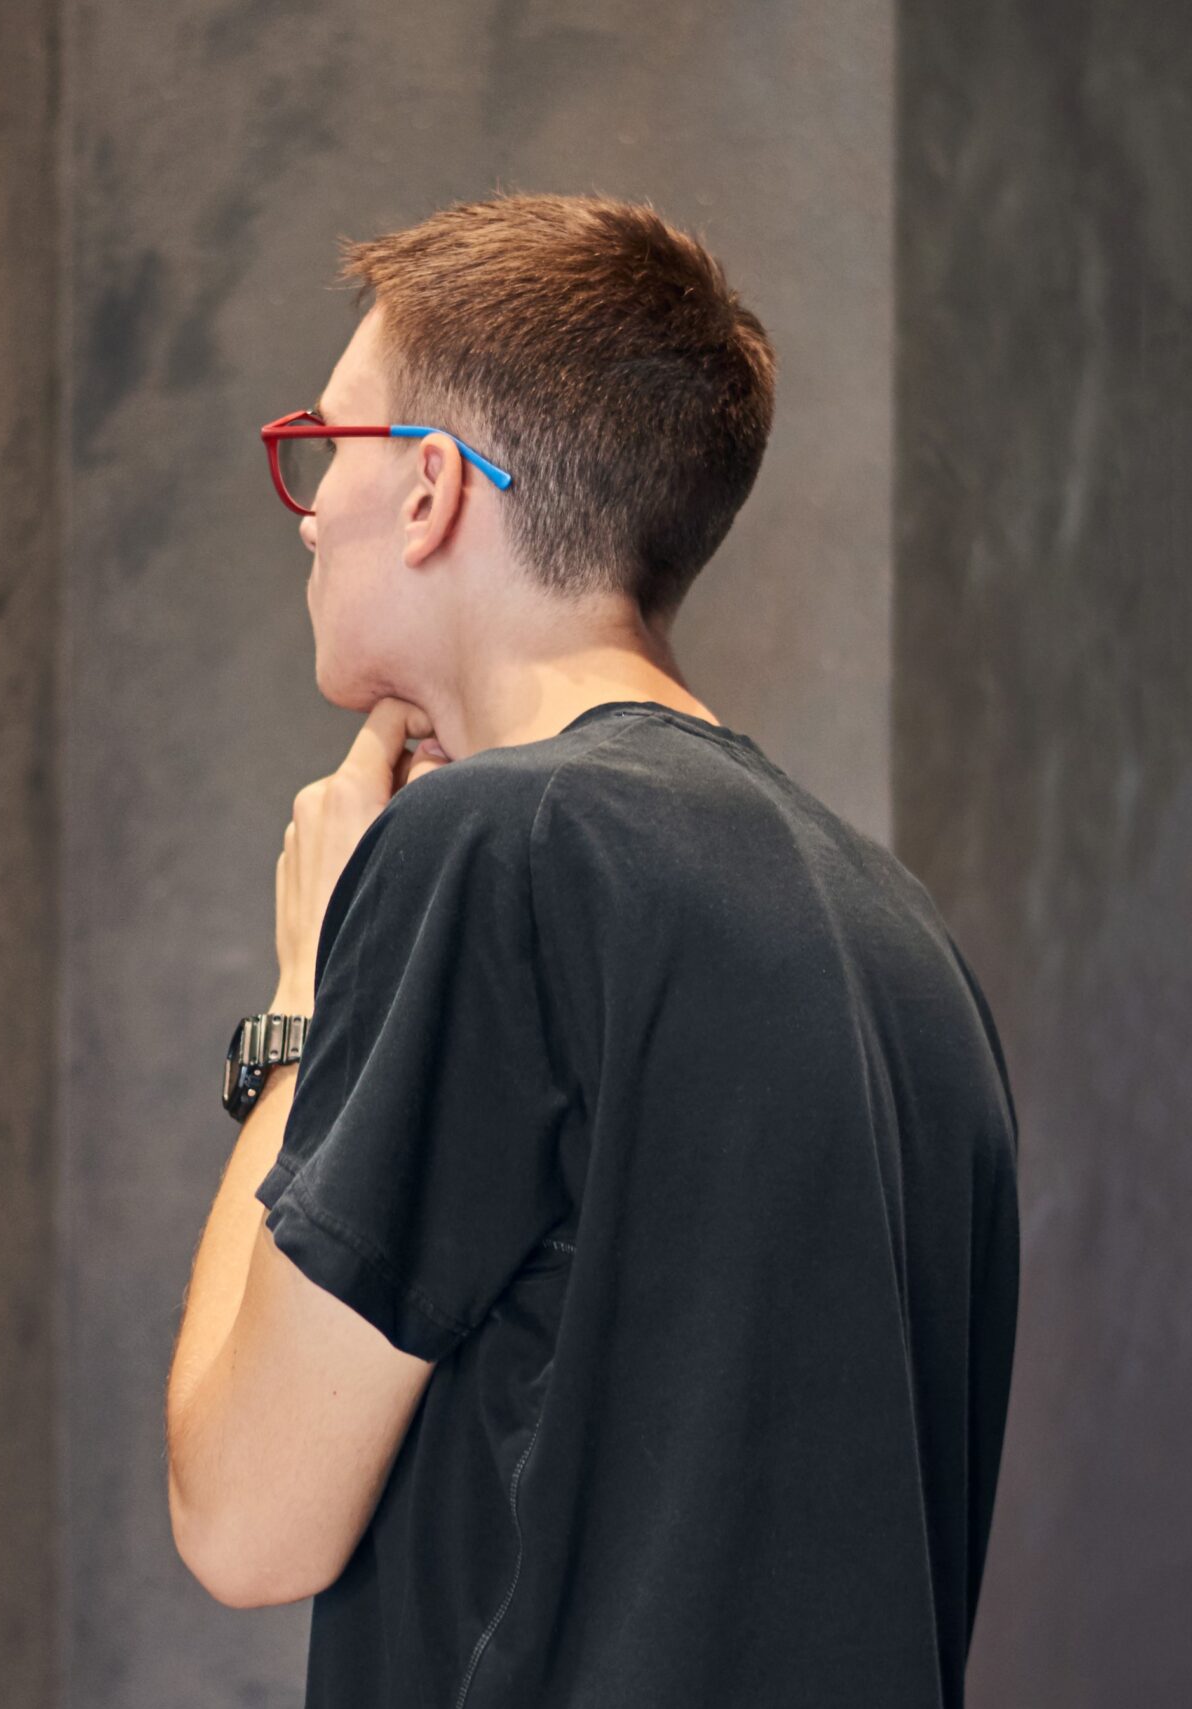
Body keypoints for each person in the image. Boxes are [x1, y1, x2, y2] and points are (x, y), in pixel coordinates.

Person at [165, 194, 1020, 1709]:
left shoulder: (495, 856)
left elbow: (241, 1515)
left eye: (327, 449)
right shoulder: (897, 929)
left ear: (430, 489)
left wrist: (298, 1005)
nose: (306, 508)